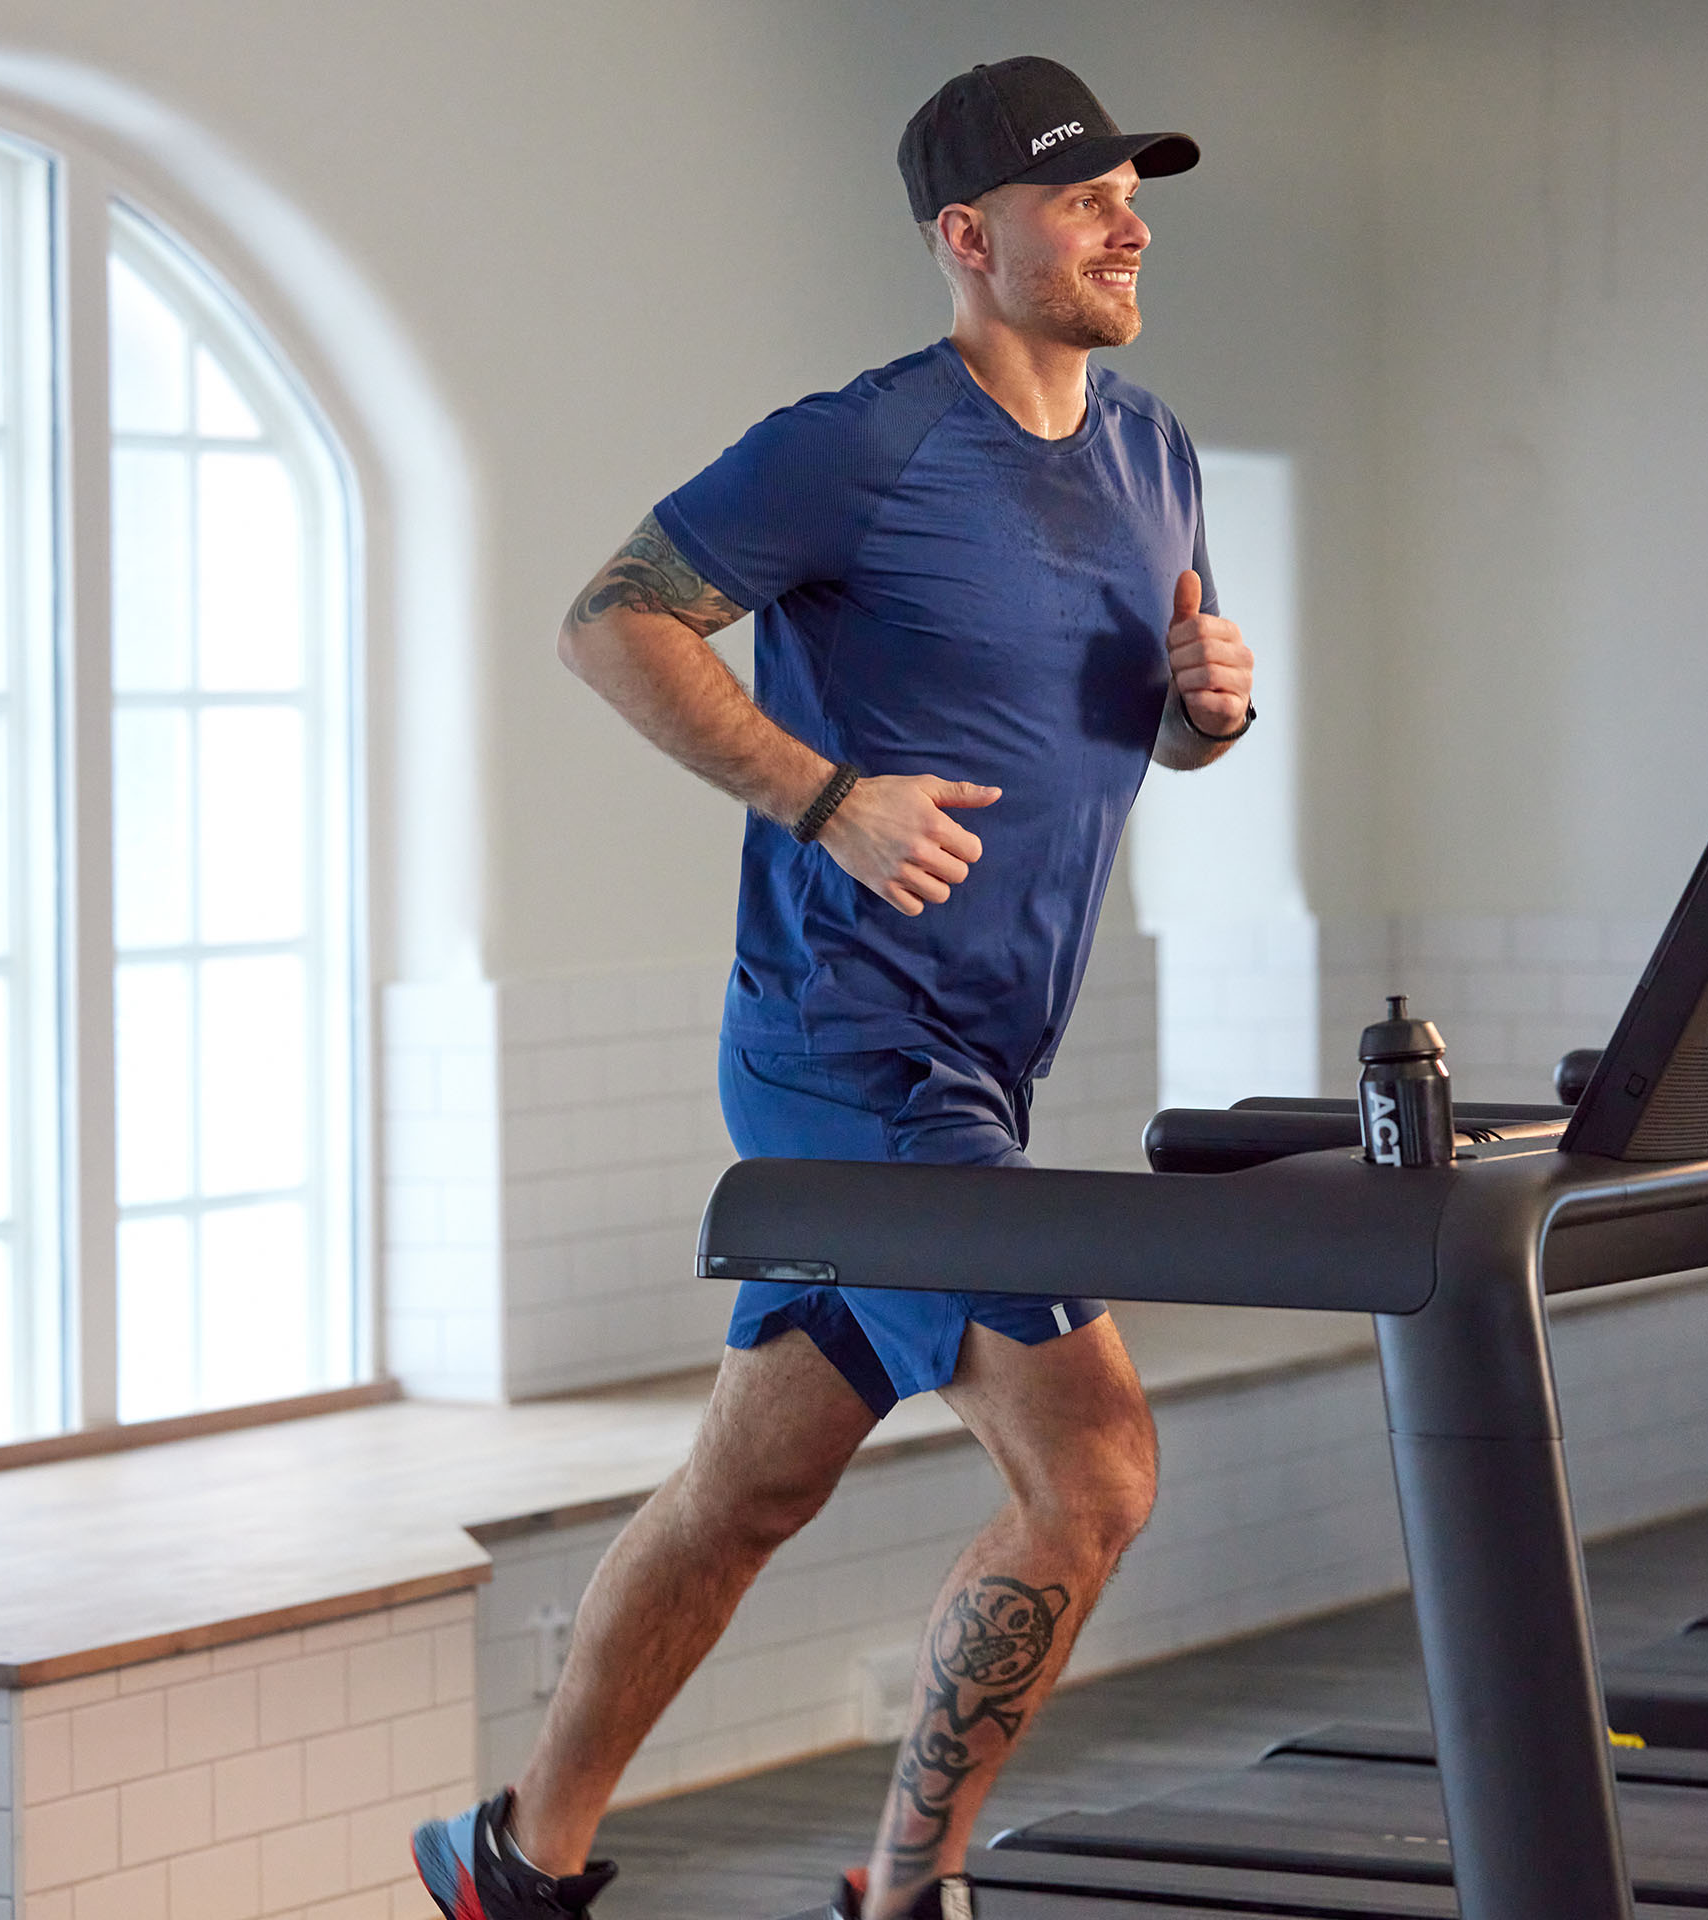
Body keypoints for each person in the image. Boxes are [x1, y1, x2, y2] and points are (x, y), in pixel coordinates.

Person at [413, 53, 1254, 1920]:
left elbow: (1146, 727)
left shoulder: (1157, 455)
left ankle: (513, 1861)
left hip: (982, 1056)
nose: (1128, 227)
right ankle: (904, 1894)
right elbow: (610, 620)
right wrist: (823, 797)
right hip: (851, 1044)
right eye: (1084, 198)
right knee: (1097, 1473)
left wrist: (1210, 714)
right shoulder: (862, 445)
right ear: (969, 236)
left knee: (749, 1490)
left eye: (1133, 195)